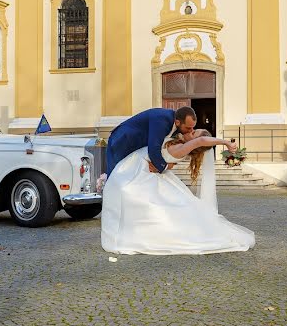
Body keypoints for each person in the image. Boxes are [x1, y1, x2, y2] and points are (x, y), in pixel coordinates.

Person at [100, 107, 255, 255]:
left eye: (194, 131)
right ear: (179, 122)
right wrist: (164, 166)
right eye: (189, 128)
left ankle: (127, 231)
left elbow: (199, 140)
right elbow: (154, 147)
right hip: (125, 143)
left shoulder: (184, 146)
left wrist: (226, 143)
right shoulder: (167, 126)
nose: (191, 131)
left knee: (129, 193)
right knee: (123, 189)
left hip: (140, 166)